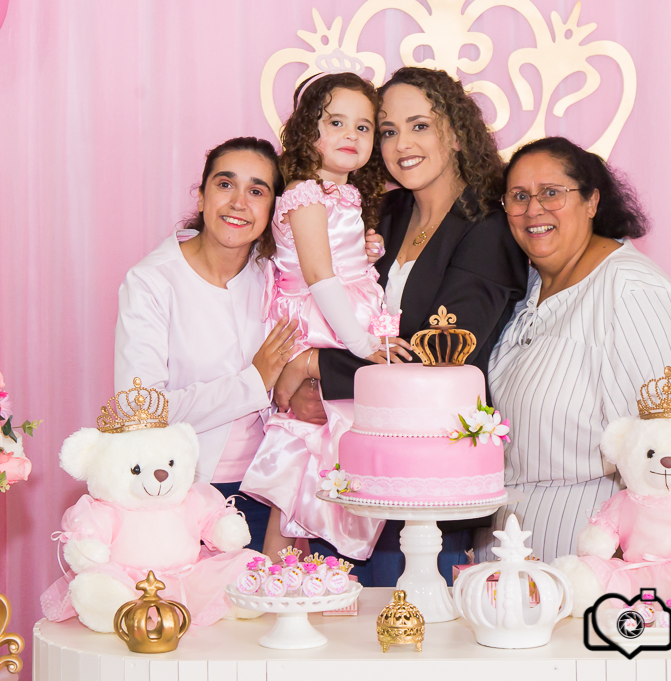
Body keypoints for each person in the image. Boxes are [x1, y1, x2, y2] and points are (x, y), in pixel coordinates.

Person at [273, 66, 529, 582]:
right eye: (387, 130)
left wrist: (314, 367)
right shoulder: (381, 212)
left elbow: (442, 353)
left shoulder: (487, 228)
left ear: (456, 134)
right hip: (345, 462)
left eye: (420, 126)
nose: (401, 144)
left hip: (425, 476)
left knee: (413, 620)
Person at [476, 137, 671, 563]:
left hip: (593, 548)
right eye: (518, 196)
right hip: (509, 544)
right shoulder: (525, 288)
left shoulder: (631, 290)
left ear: (592, 201)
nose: (533, 209)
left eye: (551, 193)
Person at [114, 137, 300, 551]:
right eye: (225, 184)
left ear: (273, 209)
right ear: (201, 196)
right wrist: (254, 382)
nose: (239, 203)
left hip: (267, 492)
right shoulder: (152, 281)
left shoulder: (275, 275)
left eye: (257, 191)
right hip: (179, 493)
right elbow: (138, 411)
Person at [241, 72, 399, 560]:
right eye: (336, 123)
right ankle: (276, 574)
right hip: (321, 323)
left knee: (324, 458)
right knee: (302, 453)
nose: (351, 135)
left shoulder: (341, 196)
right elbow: (319, 277)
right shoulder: (306, 195)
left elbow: (336, 261)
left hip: (339, 317)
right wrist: (361, 346)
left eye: (363, 127)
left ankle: (307, 574)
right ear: (308, 130)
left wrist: (367, 252)